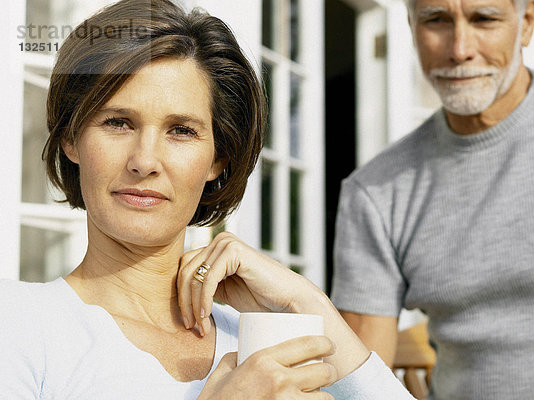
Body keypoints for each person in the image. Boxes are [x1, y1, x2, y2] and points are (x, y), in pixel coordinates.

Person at [0, 1, 414, 399]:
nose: (144, 161)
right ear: (71, 138)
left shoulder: (264, 342)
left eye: (180, 130)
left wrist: (308, 302)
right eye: (117, 122)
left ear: (219, 158)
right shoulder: (18, 323)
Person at [332, 0, 534, 398]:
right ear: (411, 25)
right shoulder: (375, 192)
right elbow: (358, 382)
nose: (459, 49)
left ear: (526, 22)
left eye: (484, 19)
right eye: (436, 20)